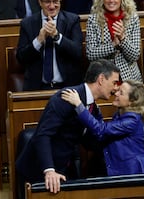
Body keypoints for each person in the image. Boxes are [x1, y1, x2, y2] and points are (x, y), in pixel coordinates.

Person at [15, 59, 121, 194]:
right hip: (38, 171)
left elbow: (89, 142)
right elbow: (43, 134)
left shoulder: (92, 108)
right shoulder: (66, 97)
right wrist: (49, 170)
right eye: (114, 83)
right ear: (101, 79)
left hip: (62, 170)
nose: (116, 88)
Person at [61, 79, 144, 175]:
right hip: (123, 173)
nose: (116, 93)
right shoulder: (118, 116)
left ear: (131, 102)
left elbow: (101, 130)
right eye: (118, 90)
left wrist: (79, 105)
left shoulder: (132, 120)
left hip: (136, 173)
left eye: (121, 93)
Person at [16, 0, 83, 91]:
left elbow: (77, 52)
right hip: (37, 88)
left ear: (61, 0)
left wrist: (57, 36)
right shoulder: (28, 23)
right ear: (39, 1)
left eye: (55, 1)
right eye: (47, 2)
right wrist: (38, 40)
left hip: (67, 88)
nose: (52, 6)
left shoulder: (72, 21)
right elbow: (21, 58)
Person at [86, 0, 142, 81]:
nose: (111, 1)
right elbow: (91, 54)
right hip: (102, 77)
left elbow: (135, 56)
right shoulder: (93, 20)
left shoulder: (132, 18)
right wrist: (112, 45)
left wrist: (123, 38)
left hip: (129, 78)